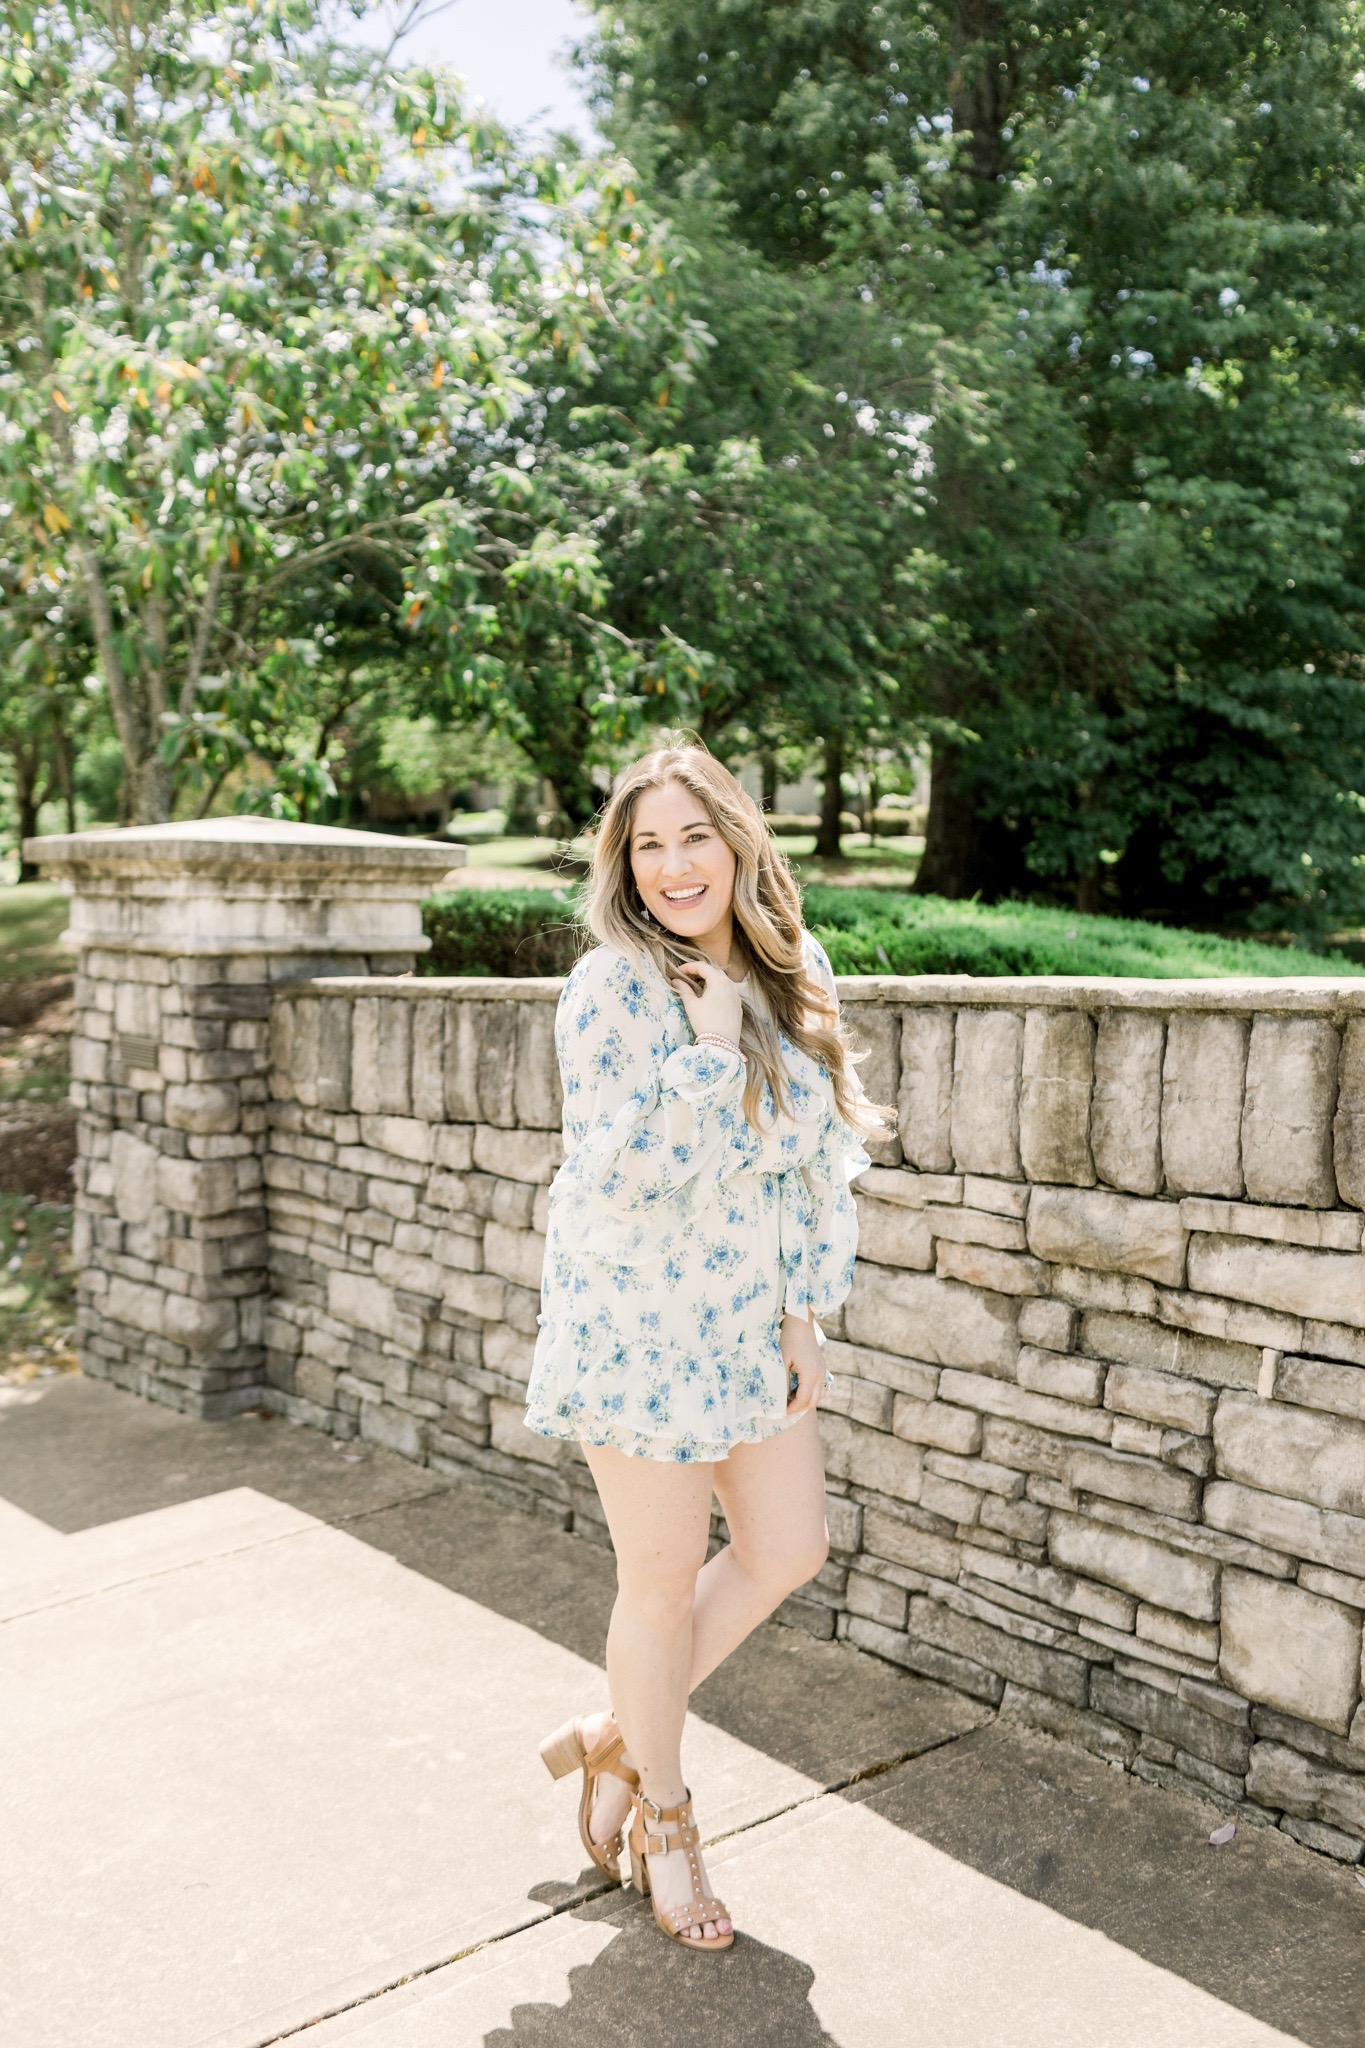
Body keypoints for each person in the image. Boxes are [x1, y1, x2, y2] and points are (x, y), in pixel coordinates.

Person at [527, 737, 887, 1953]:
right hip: (637, 1327)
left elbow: (820, 1160)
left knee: (790, 1543)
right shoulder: (609, 986)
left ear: (737, 839)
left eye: (696, 835)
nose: (676, 864)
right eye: (649, 843)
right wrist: (706, 1049)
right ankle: (664, 1813)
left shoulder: (797, 966)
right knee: (663, 1578)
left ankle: (620, 1728)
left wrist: (803, 1312)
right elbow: (620, 1172)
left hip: (747, 1324)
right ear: (625, 865)